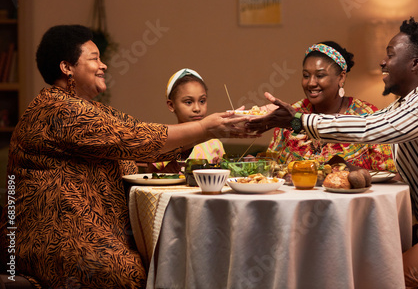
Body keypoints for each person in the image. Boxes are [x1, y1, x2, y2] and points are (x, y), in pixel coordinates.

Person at [247, 17, 418, 288]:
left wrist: (299, 121)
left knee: (385, 278)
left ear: (415, 63)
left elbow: (372, 127)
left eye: (390, 55)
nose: (383, 62)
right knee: (353, 255)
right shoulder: (402, 106)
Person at [0, 25, 254, 289]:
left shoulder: (91, 109)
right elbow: (135, 137)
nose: (104, 65)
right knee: (130, 273)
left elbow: (144, 144)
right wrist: (205, 128)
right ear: (67, 67)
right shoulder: (57, 109)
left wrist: (212, 130)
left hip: (88, 233)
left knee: (171, 256)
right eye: (95, 58)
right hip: (48, 239)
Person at [267, 40, 396, 172]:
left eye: (320, 75)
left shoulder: (366, 114)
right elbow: (273, 168)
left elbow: (390, 174)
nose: (311, 83)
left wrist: (349, 169)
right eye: (306, 75)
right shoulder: (293, 113)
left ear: (341, 78)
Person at [150, 68, 225, 172]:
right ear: (171, 105)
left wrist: (221, 168)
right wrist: (164, 172)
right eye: (189, 102)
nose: (197, 109)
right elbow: (147, 178)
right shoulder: (165, 142)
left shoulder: (214, 144)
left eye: (202, 101)